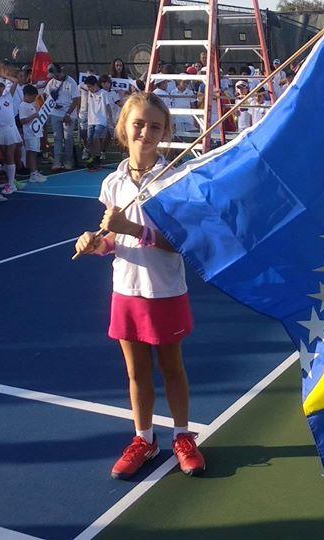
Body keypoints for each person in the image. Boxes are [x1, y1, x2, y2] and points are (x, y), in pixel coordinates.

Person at [74, 92, 206, 479]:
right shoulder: (113, 182)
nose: (145, 132)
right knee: (137, 373)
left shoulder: (174, 178)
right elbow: (114, 241)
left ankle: (182, 436)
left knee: (171, 368)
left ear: (164, 133)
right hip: (126, 289)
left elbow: (181, 243)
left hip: (164, 290)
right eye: (138, 123)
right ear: (123, 128)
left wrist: (131, 228)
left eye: (154, 126)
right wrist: (97, 244)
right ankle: (144, 439)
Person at [43, 64, 81, 171]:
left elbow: (75, 99)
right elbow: (46, 95)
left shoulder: (71, 82)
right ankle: (57, 161)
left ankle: (69, 160)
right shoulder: (51, 82)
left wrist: (68, 114)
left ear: (60, 71)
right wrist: (53, 103)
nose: (54, 76)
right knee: (57, 138)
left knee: (68, 138)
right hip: (55, 113)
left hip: (69, 114)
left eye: (55, 74)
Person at [0, 75, 21, 195]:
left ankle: (11, 184)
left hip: (11, 130)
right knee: (2, 159)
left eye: (2, 86)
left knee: (9, 156)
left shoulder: (8, 96)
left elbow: (16, 81)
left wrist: (3, 75)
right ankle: (6, 181)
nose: (0, 88)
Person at [83, 75, 119, 171]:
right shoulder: (90, 93)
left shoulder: (103, 93)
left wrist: (110, 120)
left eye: (90, 86)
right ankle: (92, 157)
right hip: (91, 120)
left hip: (101, 120)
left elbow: (108, 107)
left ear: (95, 85)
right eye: (88, 87)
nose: (89, 89)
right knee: (89, 139)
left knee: (96, 136)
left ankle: (97, 159)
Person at [19, 84, 45, 184]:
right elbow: (22, 121)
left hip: (36, 132)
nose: (34, 99)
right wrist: (34, 115)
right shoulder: (23, 105)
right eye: (33, 97)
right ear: (27, 95)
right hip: (30, 133)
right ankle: (33, 173)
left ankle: (35, 171)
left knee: (34, 153)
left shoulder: (30, 105)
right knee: (31, 153)